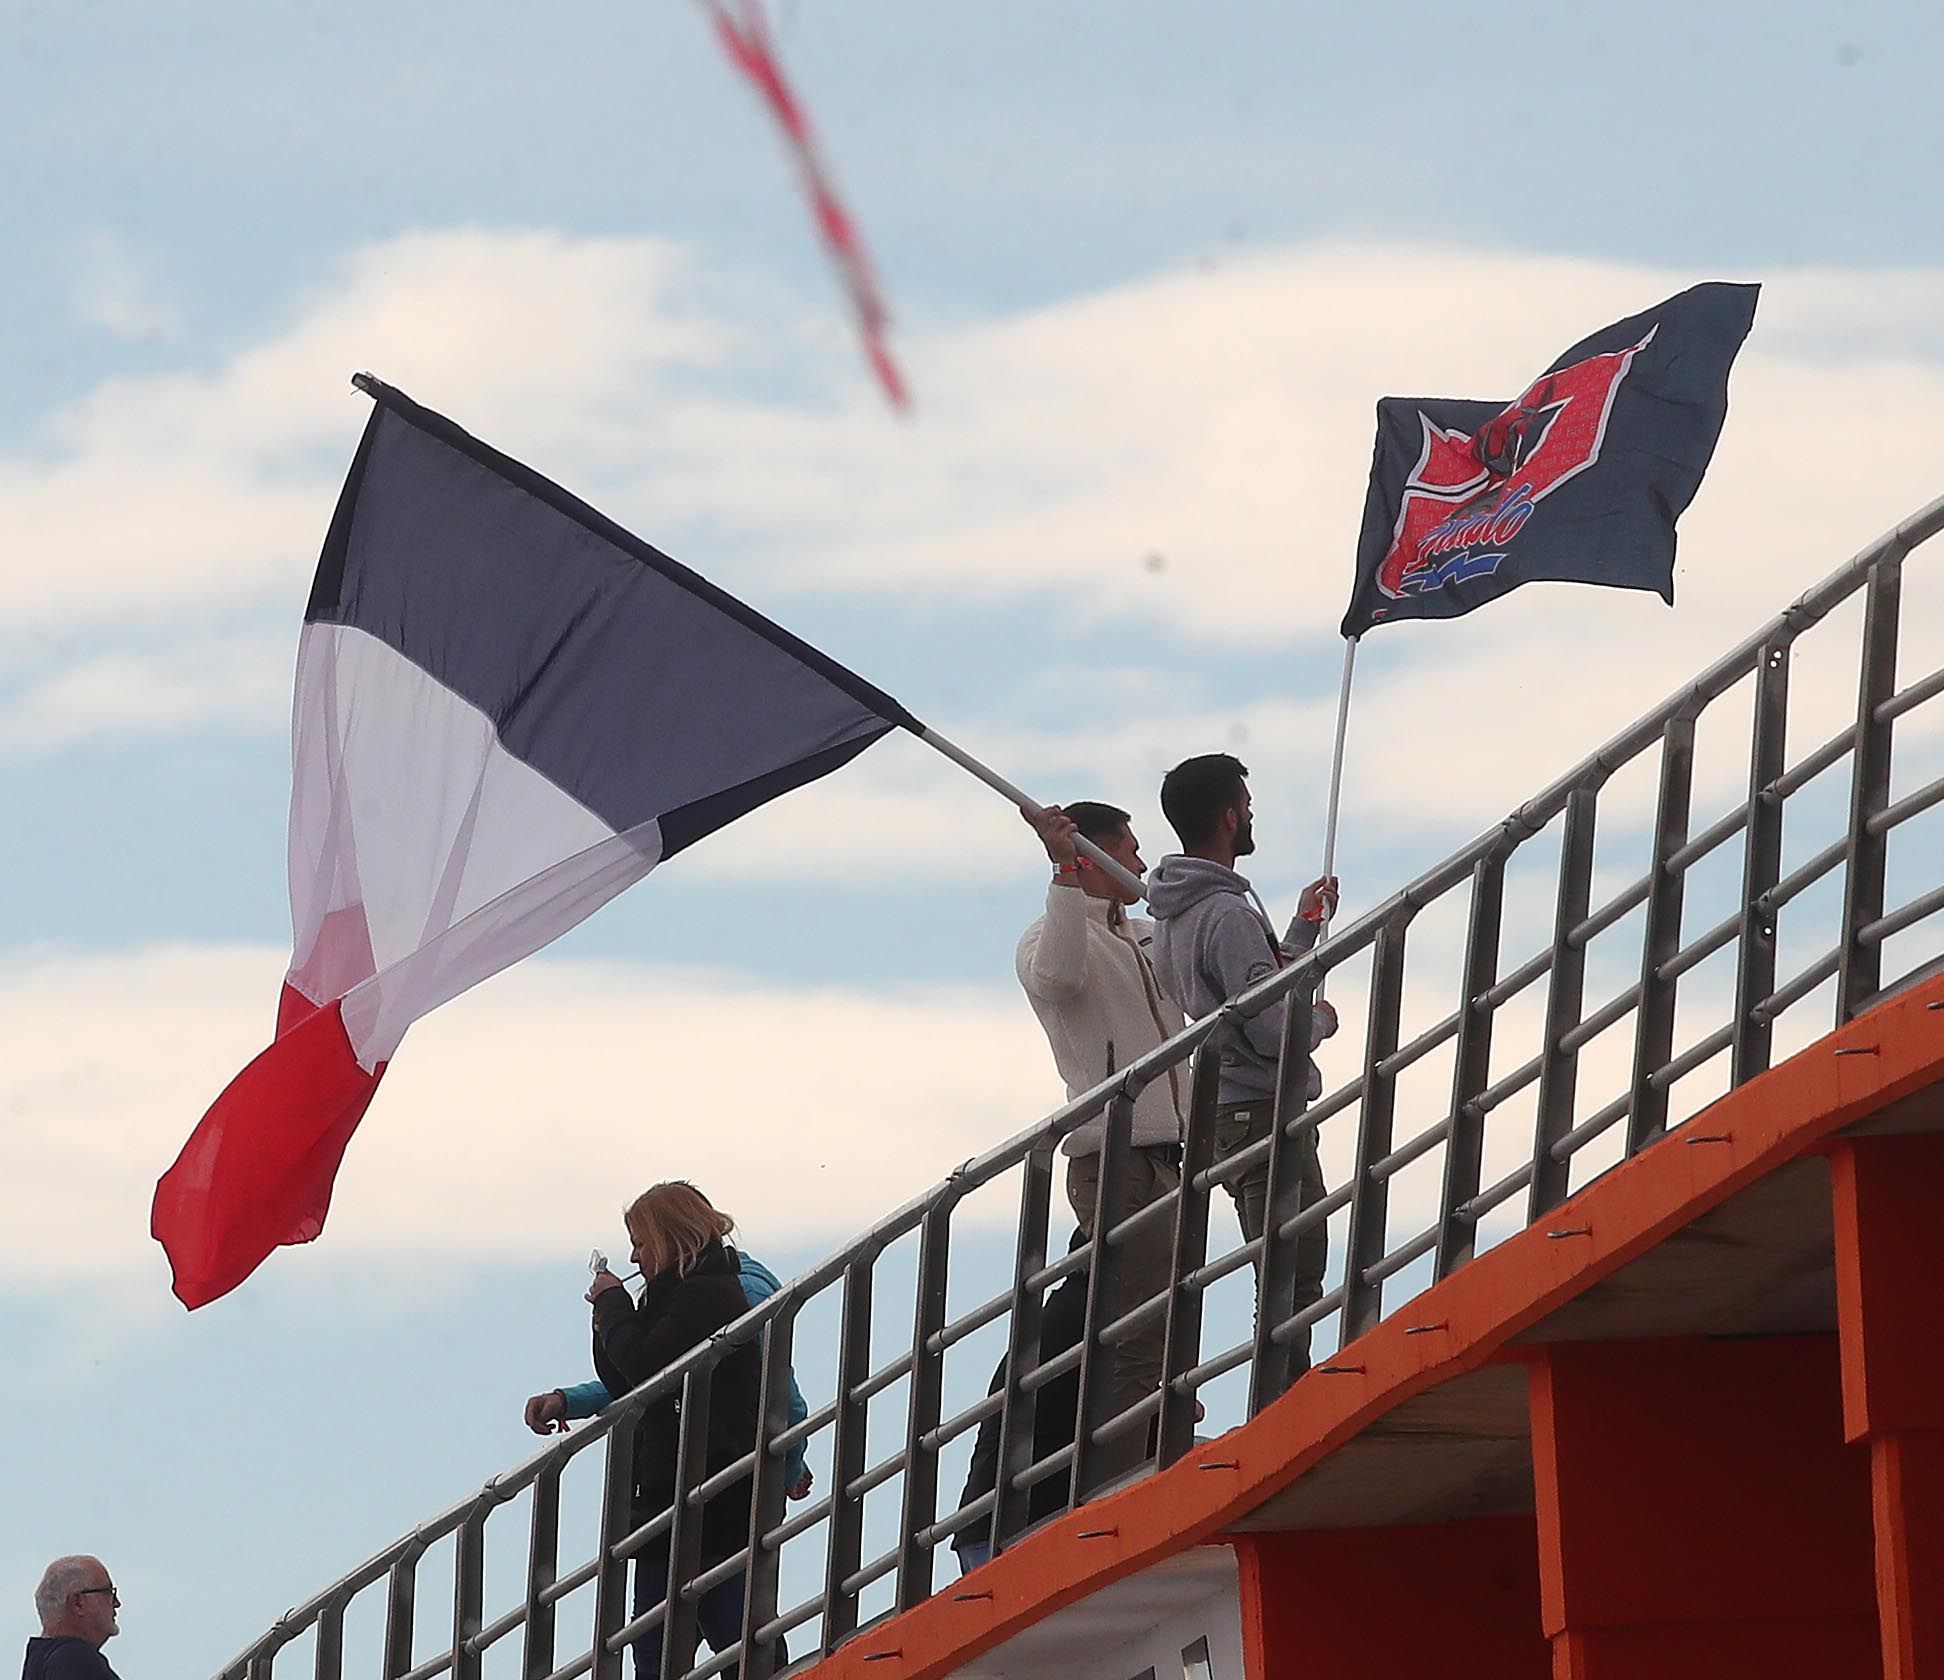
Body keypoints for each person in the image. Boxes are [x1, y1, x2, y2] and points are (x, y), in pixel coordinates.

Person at [1147, 754, 1339, 1355]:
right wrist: (1319, 1023)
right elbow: (1269, 1027)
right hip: (1262, 1108)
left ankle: (1283, 1394)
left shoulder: (1176, 916)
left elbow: (1243, 990)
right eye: (1247, 805)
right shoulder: (1226, 911)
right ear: (1229, 817)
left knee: (1279, 1264)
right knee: (1294, 1271)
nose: (1251, 814)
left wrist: (1302, 932)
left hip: (1226, 1113)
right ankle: (1284, 1401)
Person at [1015, 801, 1185, 1468]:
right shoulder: (1049, 936)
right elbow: (1057, 979)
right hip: (1117, 1158)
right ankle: (1122, 1484)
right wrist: (1062, 874)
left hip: (1174, 1154)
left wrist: (1300, 935)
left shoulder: (1144, 937)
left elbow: (1212, 984)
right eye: (1130, 849)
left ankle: (1153, 1466)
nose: (1141, 864)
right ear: (1095, 857)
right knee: (1134, 1331)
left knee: (1166, 1328)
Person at [565, 1183, 781, 1680]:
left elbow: (648, 1363)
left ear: (668, 1237)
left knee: (732, 1623)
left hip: (711, 1487)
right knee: (657, 1639)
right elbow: (625, 1379)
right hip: (670, 1492)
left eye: (641, 1243)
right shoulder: (676, 1295)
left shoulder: (708, 1292)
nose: (634, 1257)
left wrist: (615, 1306)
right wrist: (607, 1318)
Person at [526, 1251, 814, 1500]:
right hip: (686, 1476)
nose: (633, 1258)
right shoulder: (686, 1292)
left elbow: (781, 1392)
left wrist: (788, 1470)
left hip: (728, 1481)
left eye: (640, 1243)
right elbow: (657, 1375)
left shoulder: (736, 1293)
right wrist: (568, 1400)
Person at [24, 1558, 122, 1680]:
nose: (117, 1603)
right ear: (78, 1603)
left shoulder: (39, 1662)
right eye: (108, 1592)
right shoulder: (76, 1659)